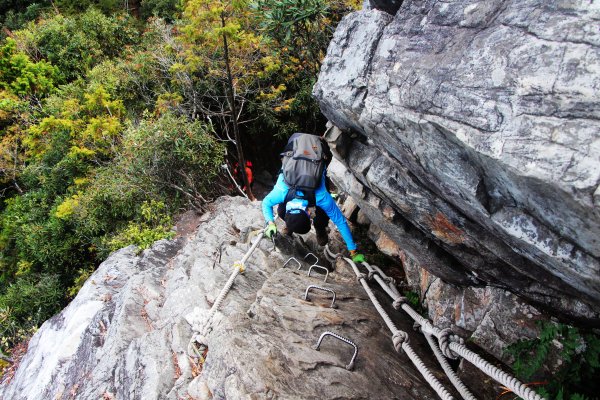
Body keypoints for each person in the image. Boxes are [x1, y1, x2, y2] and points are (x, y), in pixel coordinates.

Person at [261, 134, 365, 263]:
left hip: (313, 147)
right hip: (295, 141)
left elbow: (340, 221)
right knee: (282, 210)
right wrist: (270, 222)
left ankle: (320, 228)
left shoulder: (320, 196)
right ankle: (291, 226)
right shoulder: (281, 192)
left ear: (309, 213)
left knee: (321, 214)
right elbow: (340, 221)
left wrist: (270, 221)